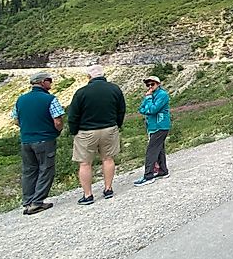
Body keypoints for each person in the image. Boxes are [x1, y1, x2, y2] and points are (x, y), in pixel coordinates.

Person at [68, 65, 126, 205]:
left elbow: (73, 115)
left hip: (86, 131)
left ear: (89, 77)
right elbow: (121, 109)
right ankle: (108, 189)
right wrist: (117, 124)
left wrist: (74, 130)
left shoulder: (81, 92)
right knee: (108, 159)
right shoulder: (114, 89)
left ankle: (88, 195)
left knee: (85, 163)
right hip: (109, 128)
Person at [11, 71, 64, 215]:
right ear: (42, 82)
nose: (51, 83)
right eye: (49, 80)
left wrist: (27, 128)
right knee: (46, 169)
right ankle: (37, 202)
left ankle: (27, 201)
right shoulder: (50, 99)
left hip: (26, 140)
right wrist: (57, 131)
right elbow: (58, 120)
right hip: (44, 139)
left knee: (29, 171)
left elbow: (15, 119)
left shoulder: (20, 99)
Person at [133, 75, 171, 186]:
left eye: (152, 84)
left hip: (161, 125)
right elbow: (141, 109)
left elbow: (153, 109)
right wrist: (148, 104)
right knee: (159, 149)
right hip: (153, 127)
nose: (150, 87)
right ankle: (163, 171)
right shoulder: (150, 95)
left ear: (158, 84)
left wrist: (148, 101)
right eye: (148, 85)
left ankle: (148, 175)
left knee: (151, 151)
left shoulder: (162, 95)